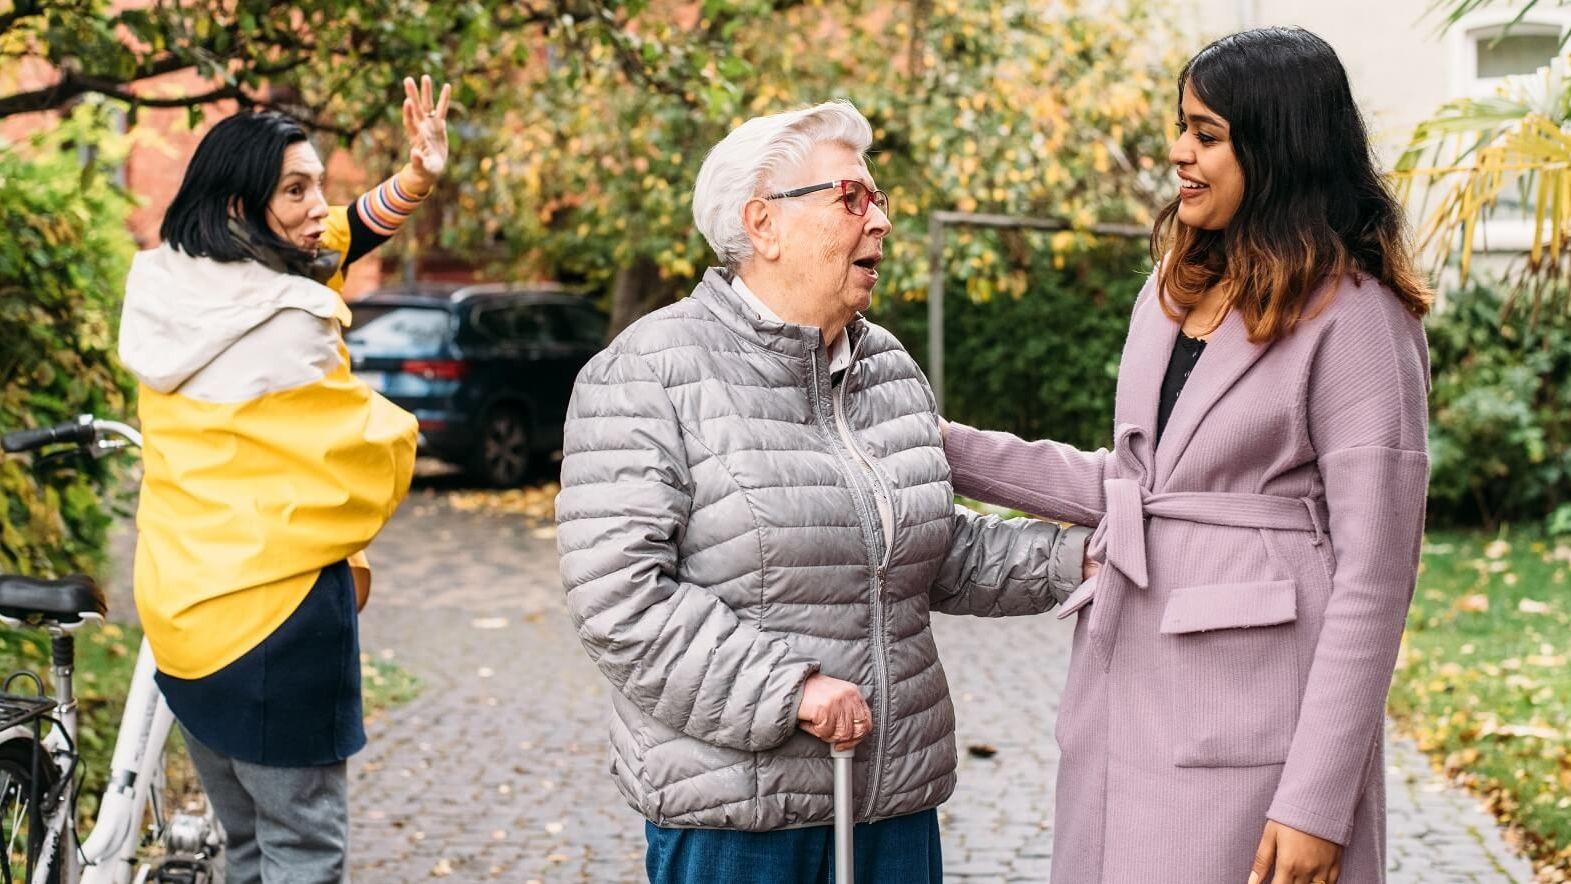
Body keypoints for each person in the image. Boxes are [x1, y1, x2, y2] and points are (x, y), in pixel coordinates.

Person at [555, 99, 1094, 884]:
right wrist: (791, 690)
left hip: (888, 801)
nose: (877, 222)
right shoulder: (647, 371)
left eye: (876, 199)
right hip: (738, 820)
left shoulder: (886, 368)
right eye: (851, 197)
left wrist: (1076, 559)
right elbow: (618, 599)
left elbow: (926, 547)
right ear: (762, 225)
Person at [941, 27, 1432, 884]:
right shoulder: (1172, 290)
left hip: (1253, 726)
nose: (1178, 153)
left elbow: (1375, 580)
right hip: (1123, 693)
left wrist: (1315, 800)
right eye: (1180, 128)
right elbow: (1138, 487)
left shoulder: (1358, 319)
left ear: (1278, 146)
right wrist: (939, 446)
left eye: (1205, 134)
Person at [117, 76, 451, 882]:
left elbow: (325, 240)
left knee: (247, 848)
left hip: (184, 613)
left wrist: (413, 181)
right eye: (295, 189)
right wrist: (403, 432)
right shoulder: (291, 322)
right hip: (278, 621)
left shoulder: (166, 284)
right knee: (302, 849)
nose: (316, 207)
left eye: (319, 187)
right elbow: (361, 456)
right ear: (240, 207)